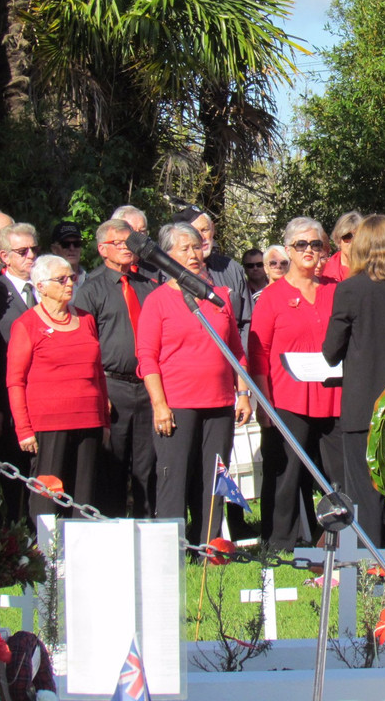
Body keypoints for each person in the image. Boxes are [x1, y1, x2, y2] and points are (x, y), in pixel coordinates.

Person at [322, 214, 385, 584]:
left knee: (365, 495)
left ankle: (370, 572)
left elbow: (331, 352)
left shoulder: (349, 290)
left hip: (363, 405)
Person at [136, 223, 252, 545]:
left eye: (197, 247)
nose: (193, 254)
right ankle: (171, 549)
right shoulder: (158, 301)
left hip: (219, 405)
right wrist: (160, 405)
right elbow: (147, 358)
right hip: (177, 404)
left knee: (214, 479)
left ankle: (209, 547)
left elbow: (236, 351)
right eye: (184, 248)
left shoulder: (221, 297)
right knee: (175, 478)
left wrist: (242, 394)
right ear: (167, 256)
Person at [249, 218, 343, 551]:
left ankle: (343, 538)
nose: (309, 250)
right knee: (285, 474)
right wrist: (262, 403)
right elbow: (256, 353)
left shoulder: (336, 289)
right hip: (287, 399)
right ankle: (279, 542)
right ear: (288, 250)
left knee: (341, 474)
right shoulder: (271, 297)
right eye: (301, 244)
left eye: (315, 244)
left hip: (335, 397)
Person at [6, 254, 108, 521]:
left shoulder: (86, 319)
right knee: (47, 495)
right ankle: (47, 556)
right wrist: (24, 429)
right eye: (61, 279)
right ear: (40, 286)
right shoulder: (26, 325)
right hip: (48, 424)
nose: (69, 283)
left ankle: (81, 555)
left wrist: (105, 421)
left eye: (71, 277)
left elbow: (98, 373)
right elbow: (15, 381)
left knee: (84, 495)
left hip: (89, 420)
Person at [73, 218, 159, 518]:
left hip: (147, 387)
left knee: (147, 465)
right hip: (112, 386)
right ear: (102, 249)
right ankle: (111, 531)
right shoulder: (90, 291)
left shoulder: (148, 288)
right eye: (119, 243)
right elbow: (85, 345)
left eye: (130, 242)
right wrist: (97, 392)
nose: (126, 248)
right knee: (112, 467)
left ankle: (148, 530)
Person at [0, 221, 40, 520]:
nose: (31, 256)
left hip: (44, 401)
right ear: (4, 256)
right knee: (14, 480)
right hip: (8, 403)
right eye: (22, 251)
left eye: (34, 249)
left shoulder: (46, 289)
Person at [173, 207, 253, 348]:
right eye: (194, 232)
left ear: (213, 229)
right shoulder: (170, 273)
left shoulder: (232, 269)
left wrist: (241, 363)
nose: (201, 237)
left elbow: (248, 321)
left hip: (232, 358)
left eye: (204, 230)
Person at [320, 211, 362, 282]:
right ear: (339, 239)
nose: (353, 241)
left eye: (357, 236)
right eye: (347, 236)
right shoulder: (324, 269)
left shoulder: (370, 268)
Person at [50, 221, 87, 297]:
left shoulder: (91, 279)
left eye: (77, 244)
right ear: (54, 249)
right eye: (65, 244)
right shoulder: (48, 283)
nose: (72, 248)